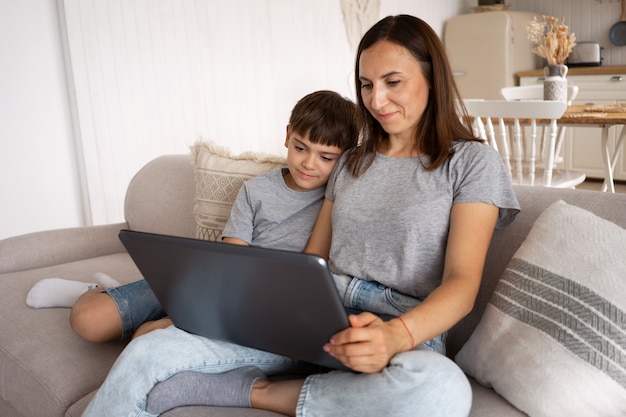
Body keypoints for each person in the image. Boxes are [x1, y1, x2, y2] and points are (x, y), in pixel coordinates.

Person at [82, 15, 520, 417]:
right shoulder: (351, 162)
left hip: (401, 328)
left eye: (392, 81)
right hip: (317, 313)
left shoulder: (471, 162)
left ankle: (255, 392)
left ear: (432, 78)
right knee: (149, 353)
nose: (376, 100)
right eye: (366, 85)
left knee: (442, 391)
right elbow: (314, 259)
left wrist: (395, 336)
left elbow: (463, 284)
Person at [25, 89, 359, 343]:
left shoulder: (339, 203)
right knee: (87, 320)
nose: (309, 163)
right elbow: (232, 258)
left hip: (256, 305)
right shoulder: (256, 191)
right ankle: (92, 291)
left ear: (343, 159)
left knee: (148, 337)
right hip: (216, 282)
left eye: (326, 157)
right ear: (287, 136)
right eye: (300, 147)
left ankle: (142, 306)